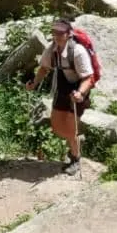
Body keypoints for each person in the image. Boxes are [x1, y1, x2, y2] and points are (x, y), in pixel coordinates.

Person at [26, 13, 94, 173]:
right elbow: (44, 68)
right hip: (63, 85)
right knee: (57, 126)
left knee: (71, 126)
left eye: (60, 33)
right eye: (54, 32)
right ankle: (75, 141)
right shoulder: (52, 50)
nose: (56, 36)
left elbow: (89, 78)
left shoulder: (78, 51)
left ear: (68, 34)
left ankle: (75, 158)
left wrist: (80, 93)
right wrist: (34, 83)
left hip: (79, 87)